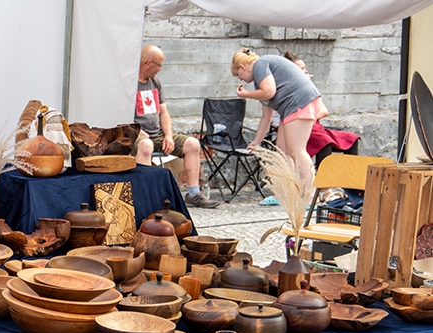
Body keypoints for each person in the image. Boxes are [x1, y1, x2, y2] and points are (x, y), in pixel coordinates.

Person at [134, 44, 220, 209]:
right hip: (137, 134)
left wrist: (168, 135)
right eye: (159, 65)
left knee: (193, 144)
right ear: (148, 63)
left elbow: (164, 113)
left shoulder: (155, 83)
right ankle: (143, 195)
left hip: (157, 134)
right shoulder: (129, 84)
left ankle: (194, 194)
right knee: (146, 145)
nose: (160, 69)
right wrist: (137, 131)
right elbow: (120, 115)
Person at [232, 47, 329, 192]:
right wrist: (257, 142)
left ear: (242, 67)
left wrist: (247, 94)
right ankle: (292, 191)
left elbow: (269, 92)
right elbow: (267, 115)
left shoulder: (260, 64)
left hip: (298, 103)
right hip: (289, 107)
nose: (240, 79)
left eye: (237, 74)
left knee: (296, 150)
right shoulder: (260, 80)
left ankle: (310, 195)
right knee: (282, 150)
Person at [283, 50, 360, 168]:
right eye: (301, 69)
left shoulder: (308, 87)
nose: (306, 71)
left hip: (314, 127)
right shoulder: (285, 90)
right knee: (324, 142)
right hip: (298, 130)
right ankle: (323, 183)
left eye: (305, 68)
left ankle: (349, 182)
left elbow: (324, 111)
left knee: (351, 139)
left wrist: (308, 114)